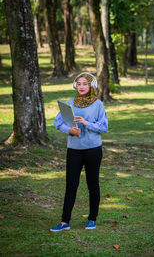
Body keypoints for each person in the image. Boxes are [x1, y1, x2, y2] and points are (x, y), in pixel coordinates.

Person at [50, 72, 108, 232]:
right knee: (71, 185)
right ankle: (64, 222)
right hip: (74, 150)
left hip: (93, 150)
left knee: (93, 184)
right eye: (79, 83)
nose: (81, 86)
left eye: (85, 83)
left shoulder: (98, 104)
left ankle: (92, 219)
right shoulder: (70, 103)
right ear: (75, 85)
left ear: (91, 85)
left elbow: (104, 127)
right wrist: (70, 130)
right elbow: (57, 122)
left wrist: (86, 123)